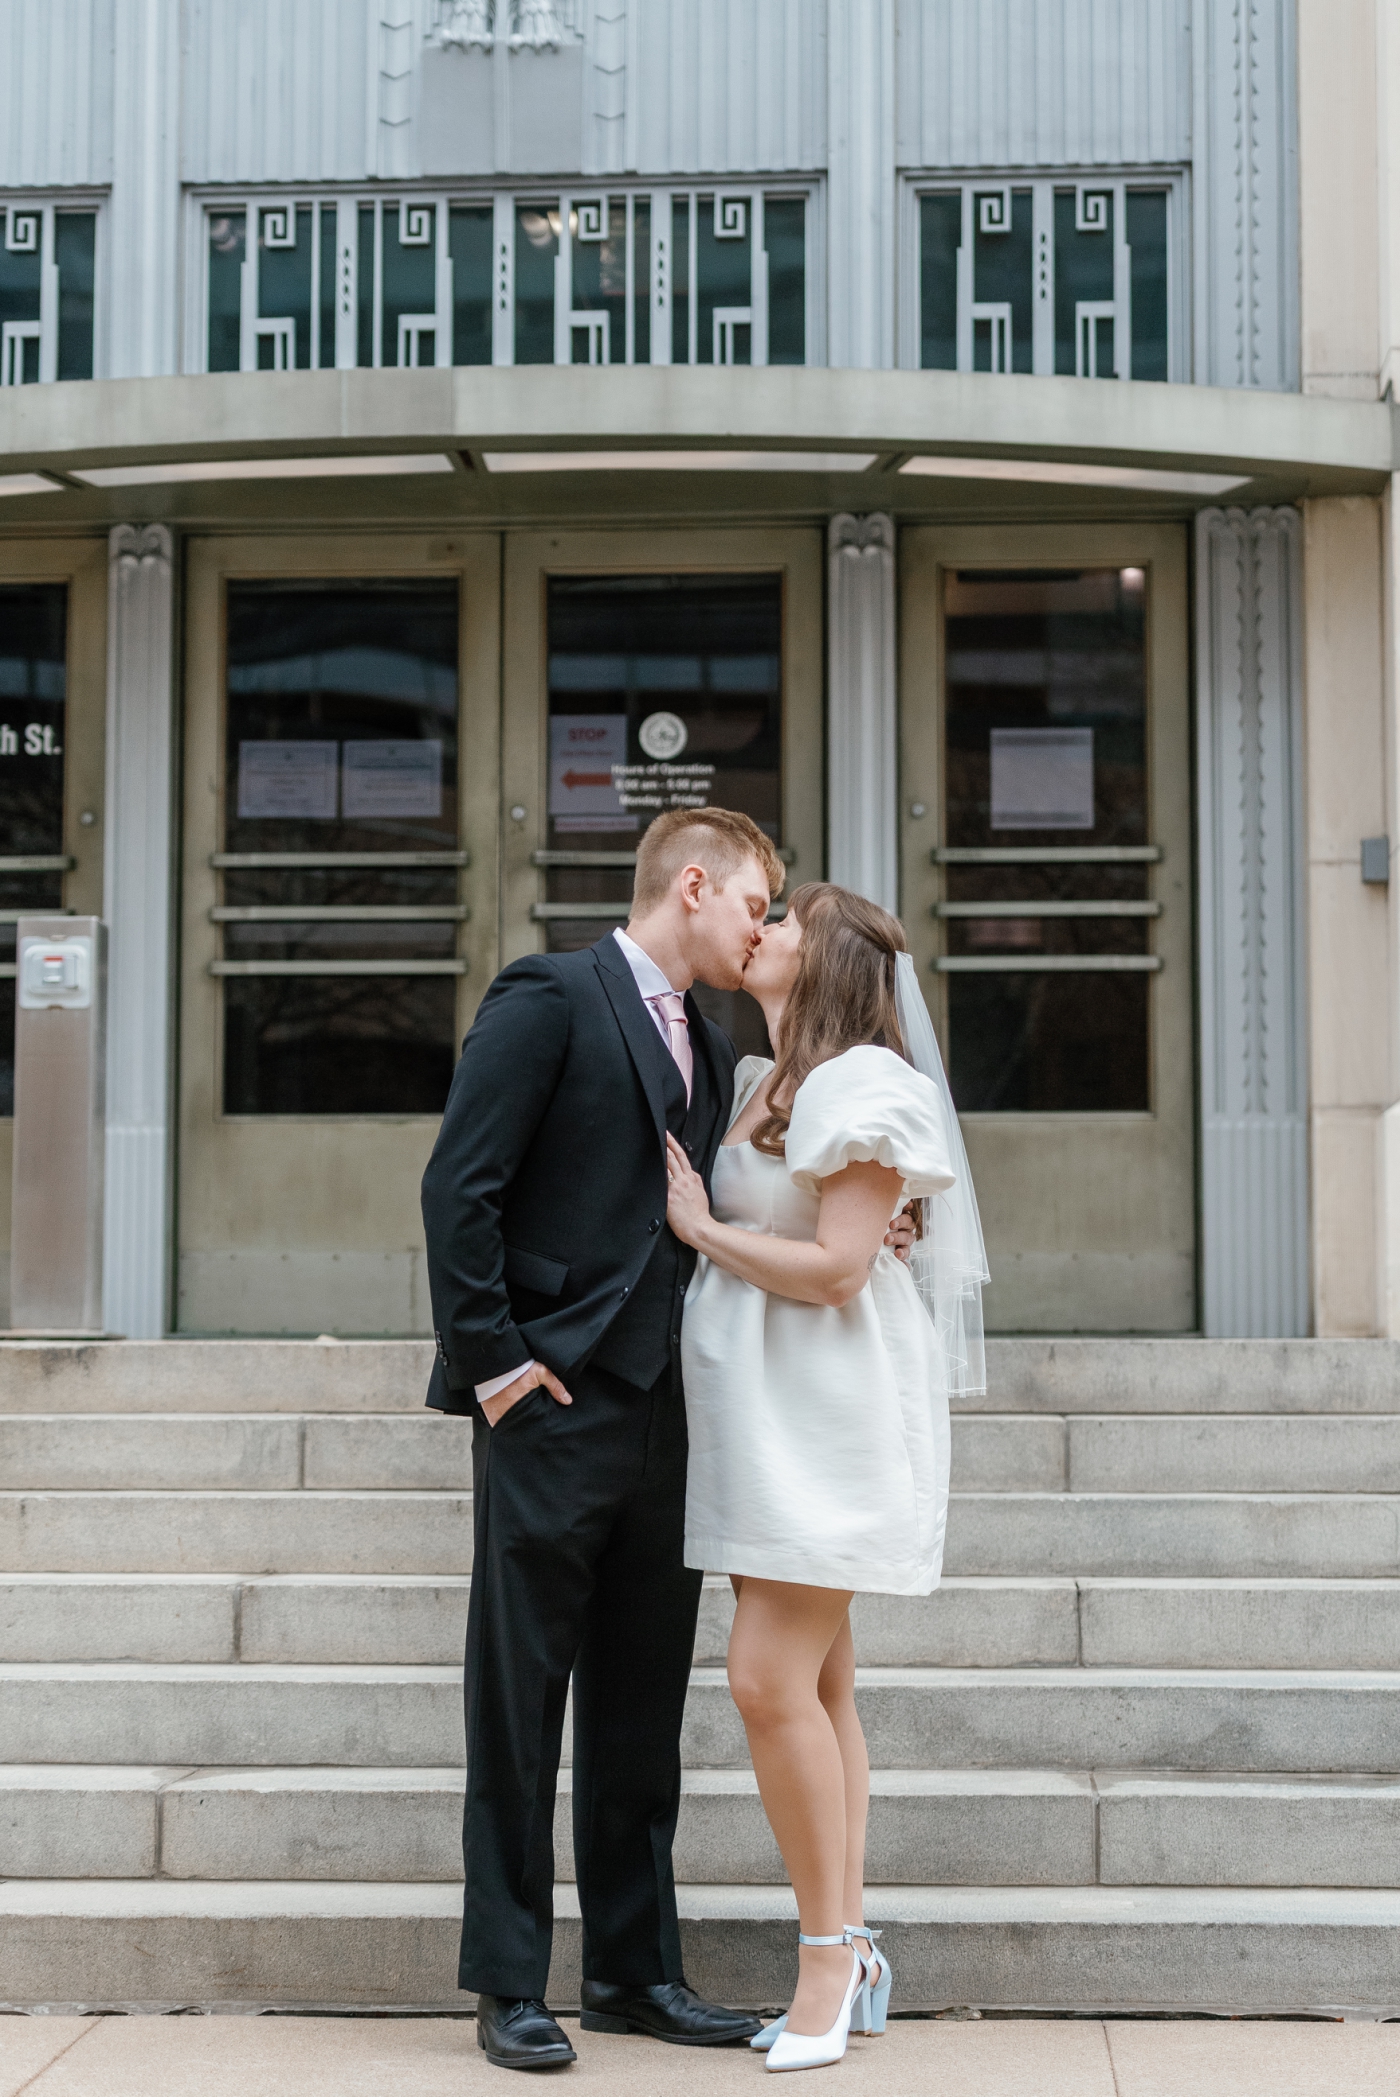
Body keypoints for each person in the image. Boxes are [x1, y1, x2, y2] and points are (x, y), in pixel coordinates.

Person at [420, 811, 917, 2072]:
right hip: (549, 1403)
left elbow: (773, 1188)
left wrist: (872, 1222)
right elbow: (458, 1189)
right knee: (519, 1703)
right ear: (691, 884)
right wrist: (494, 1369)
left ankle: (635, 1973)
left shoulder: (722, 1044)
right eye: (753, 902)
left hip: (676, 1417)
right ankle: (508, 1985)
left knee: (641, 1707)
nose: (761, 924)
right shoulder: (550, 993)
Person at [665, 883, 988, 2074]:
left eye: (785, 919)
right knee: (822, 1685)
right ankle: (848, 1943)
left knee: (763, 1681)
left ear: (833, 958)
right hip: (757, 1418)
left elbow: (841, 1270)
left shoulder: (867, 1085)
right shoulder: (761, 1083)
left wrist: (700, 1231)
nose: (761, 929)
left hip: (830, 1418)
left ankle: (821, 1955)